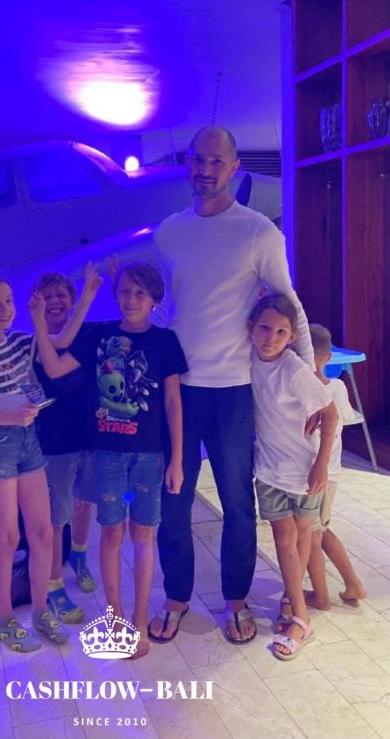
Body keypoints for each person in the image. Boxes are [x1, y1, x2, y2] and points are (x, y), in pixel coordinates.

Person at [150, 125, 315, 644]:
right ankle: (176, 597)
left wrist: (311, 382)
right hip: (179, 389)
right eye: (198, 159)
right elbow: (172, 306)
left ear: (235, 167)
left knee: (238, 505)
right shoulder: (168, 232)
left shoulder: (259, 232)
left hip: (234, 390)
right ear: (189, 164)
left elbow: (289, 306)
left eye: (216, 161)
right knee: (173, 502)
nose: (205, 169)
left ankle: (236, 600)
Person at [30, 262, 187, 659]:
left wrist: (178, 460)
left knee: (143, 535)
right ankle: (116, 619)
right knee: (112, 535)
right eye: (125, 291)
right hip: (107, 454)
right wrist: (39, 321)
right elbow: (54, 366)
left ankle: (139, 619)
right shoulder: (98, 335)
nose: (131, 300)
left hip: (150, 456)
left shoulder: (166, 341)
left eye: (140, 293)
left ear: (154, 300)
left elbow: (173, 403)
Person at [0, 267, 100, 651]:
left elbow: (62, 340)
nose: (3, 310)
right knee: (7, 537)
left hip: (28, 443)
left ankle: (40, 610)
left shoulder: (22, 342)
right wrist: (8, 415)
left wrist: (85, 296)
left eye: (8, 302)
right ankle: (5, 618)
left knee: (41, 532)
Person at [248, 294, 336, 659]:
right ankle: (296, 603)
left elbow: (330, 414)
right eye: (264, 328)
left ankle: (300, 616)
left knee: (301, 536)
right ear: (251, 328)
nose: (271, 337)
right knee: (285, 538)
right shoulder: (246, 358)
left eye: (281, 331)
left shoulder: (294, 369)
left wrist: (321, 465)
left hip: (302, 471)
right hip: (269, 470)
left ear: (292, 337)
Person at [32, 272, 98, 626]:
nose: (55, 301)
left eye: (61, 295)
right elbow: (52, 363)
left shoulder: (86, 335)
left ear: (71, 300)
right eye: (48, 296)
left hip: (88, 433)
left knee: (84, 502)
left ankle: (79, 555)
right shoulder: (34, 342)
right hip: (54, 441)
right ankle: (54, 585)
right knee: (57, 516)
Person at [304, 324, 367, 610]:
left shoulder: (304, 391)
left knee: (312, 536)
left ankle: (320, 596)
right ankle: (353, 583)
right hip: (331, 474)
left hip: (314, 475)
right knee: (321, 530)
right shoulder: (338, 387)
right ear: (329, 357)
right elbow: (347, 418)